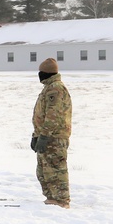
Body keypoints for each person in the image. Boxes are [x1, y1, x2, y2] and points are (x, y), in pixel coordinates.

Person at [32, 58, 72, 208]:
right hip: (46, 135)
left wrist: (44, 136)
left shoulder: (56, 89)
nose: (39, 75)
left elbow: (53, 115)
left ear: (46, 73)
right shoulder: (49, 88)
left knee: (56, 169)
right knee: (44, 170)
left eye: (41, 72)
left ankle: (61, 200)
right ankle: (52, 197)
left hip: (54, 137)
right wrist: (36, 135)